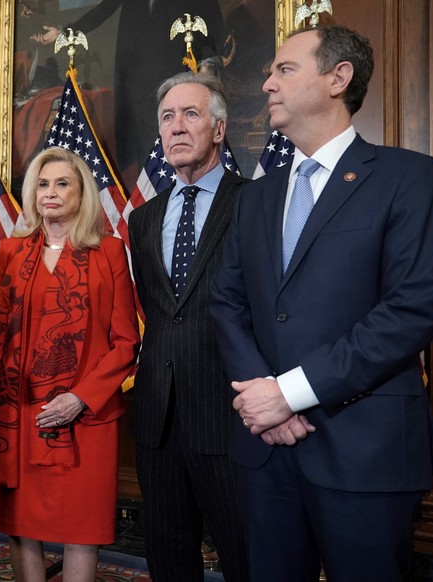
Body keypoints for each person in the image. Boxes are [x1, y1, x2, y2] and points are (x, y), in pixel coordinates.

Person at [209, 25, 433, 581]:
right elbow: (226, 303)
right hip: (266, 452)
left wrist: (290, 394)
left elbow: (408, 312)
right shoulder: (256, 197)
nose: (267, 83)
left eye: (284, 70)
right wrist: (264, 403)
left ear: (338, 78)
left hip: (363, 451)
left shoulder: (407, 178)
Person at [0, 147, 140, 581]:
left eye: (61, 183)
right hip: (20, 416)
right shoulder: (10, 252)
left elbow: (126, 342)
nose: (49, 193)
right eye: (41, 183)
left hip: (86, 416)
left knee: (81, 531)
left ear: (82, 192)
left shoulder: (109, 252)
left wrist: (79, 398)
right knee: (21, 529)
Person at [127, 72, 248, 581]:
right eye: (167, 117)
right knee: (169, 555)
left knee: (247, 554)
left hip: (229, 412)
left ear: (218, 129)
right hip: (159, 414)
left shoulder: (255, 201)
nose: (176, 127)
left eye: (191, 114)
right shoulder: (142, 218)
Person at [31, 0, 225, 173]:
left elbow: (209, 13)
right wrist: (64, 32)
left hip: (176, 73)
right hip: (137, 78)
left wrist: (208, 62)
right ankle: (150, 204)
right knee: (144, 146)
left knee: (178, 141)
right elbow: (104, 9)